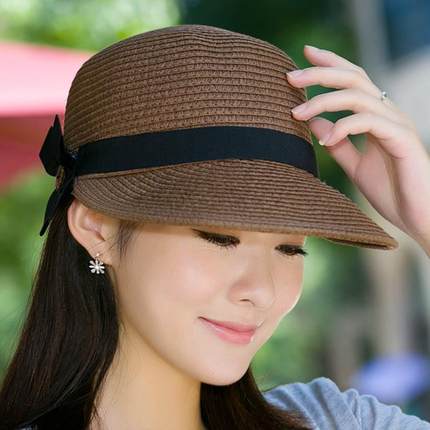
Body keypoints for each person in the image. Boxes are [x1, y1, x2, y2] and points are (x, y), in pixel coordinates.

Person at [0, 24, 429, 430]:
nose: (261, 290)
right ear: (98, 229)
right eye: (220, 239)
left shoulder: (336, 419)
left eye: (290, 249)